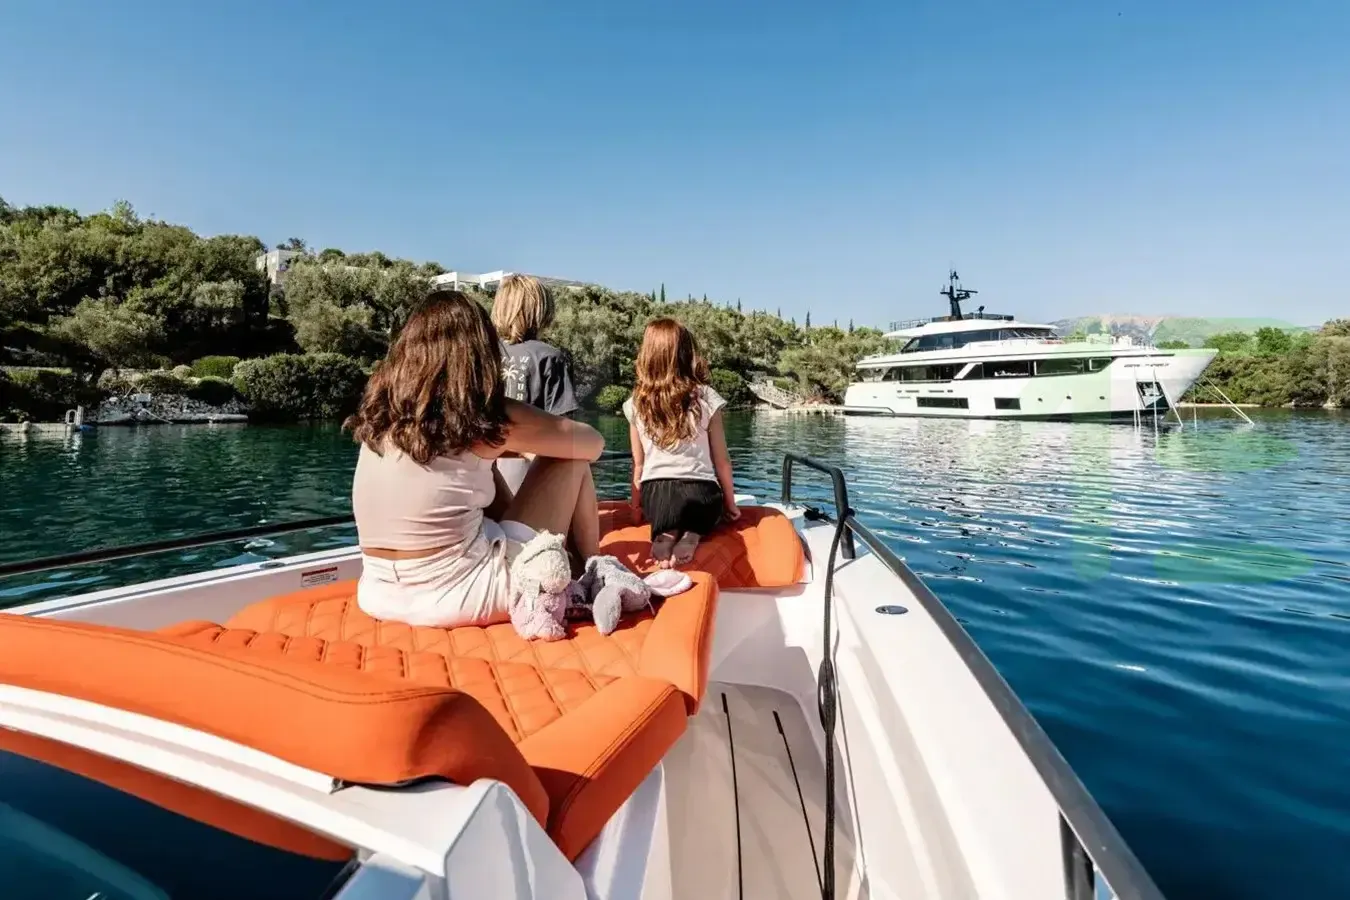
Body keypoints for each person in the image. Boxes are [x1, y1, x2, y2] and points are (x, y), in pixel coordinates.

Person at [346, 289, 605, 628]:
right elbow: (592, 444)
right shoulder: (484, 417)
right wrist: (523, 442)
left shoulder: (383, 417)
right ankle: (592, 571)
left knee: (483, 467)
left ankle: (570, 563)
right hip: (459, 597)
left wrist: (503, 448)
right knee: (568, 457)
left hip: (377, 593)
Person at [624, 318, 739, 568]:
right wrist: (730, 504)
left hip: (657, 496)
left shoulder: (635, 403)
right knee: (705, 510)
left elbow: (638, 466)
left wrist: (636, 508)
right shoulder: (706, 397)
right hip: (702, 494)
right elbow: (722, 461)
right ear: (687, 353)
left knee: (666, 515)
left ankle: (665, 533)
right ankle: (691, 535)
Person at [491, 274, 578, 493]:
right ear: (541, 311)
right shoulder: (550, 357)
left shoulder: (484, 355)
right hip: (531, 473)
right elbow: (563, 429)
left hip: (486, 471)